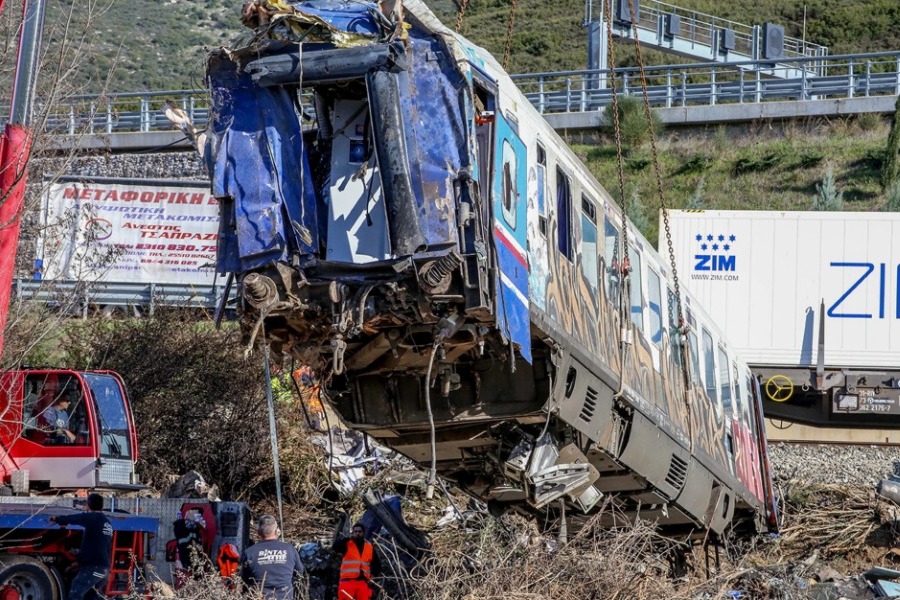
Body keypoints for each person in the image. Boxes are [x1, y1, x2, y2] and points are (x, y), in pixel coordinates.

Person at [49, 493, 113, 600]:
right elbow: (97, 547)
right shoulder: (107, 523)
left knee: (76, 589)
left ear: (88, 505)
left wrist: (58, 519)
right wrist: (79, 562)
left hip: (94, 567)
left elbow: (77, 518)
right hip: (104, 569)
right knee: (91, 596)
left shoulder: (94, 518)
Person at [240, 515, 305, 600]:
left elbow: (242, 579)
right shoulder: (290, 549)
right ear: (277, 531)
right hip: (285, 597)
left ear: (258, 532)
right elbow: (299, 572)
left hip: (258, 597)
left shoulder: (249, 552)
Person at [332, 523, 381, 600]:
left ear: (363, 533)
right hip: (347, 582)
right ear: (352, 533)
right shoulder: (346, 544)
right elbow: (335, 547)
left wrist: (373, 576)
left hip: (363, 583)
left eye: (360, 531)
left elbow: (377, 564)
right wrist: (347, 538)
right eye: (355, 531)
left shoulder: (369, 547)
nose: (357, 533)